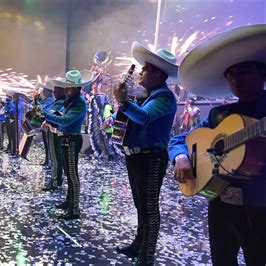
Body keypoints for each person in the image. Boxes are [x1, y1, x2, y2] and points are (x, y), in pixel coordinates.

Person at [169, 24, 266, 266]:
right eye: (231, 75)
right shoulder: (219, 115)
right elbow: (180, 139)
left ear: (262, 74)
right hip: (220, 202)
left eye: (244, 72)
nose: (236, 80)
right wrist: (180, 156)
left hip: (260, 208)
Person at [112, 42, 178, 265]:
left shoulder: (165, 98)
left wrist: (123, 101)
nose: (141, 73)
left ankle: (147, 255)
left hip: (151, 158)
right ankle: (138, 246)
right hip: (138, 156)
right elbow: (134, 118)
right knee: (141, 205)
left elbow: (144, 117)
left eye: (146, 70)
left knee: (149, 208)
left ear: (159, 74)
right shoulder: (149, 95)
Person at [43, 69, 93, 220]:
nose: (66, 89)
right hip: (67, 139)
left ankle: (75, 209)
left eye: (68, 87)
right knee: (68, 174)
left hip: (72, 140)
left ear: (76, 88)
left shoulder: (79, 103)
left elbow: (65, 120)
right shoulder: (72, 101)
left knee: (72, 175)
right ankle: (69, 201)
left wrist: (45, 115)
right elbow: (63, 118)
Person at [41, 85, 67, 191]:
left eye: (57, 90)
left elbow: (52, 114)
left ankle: (55, 180)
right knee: (57, 156)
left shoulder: (60, 102)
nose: (54, 92)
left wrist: (45, 114)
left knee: (55, 156)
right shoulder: (60, 101)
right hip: (57, 131)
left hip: (54, 131)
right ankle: (56, 179)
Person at [37, 84, 55, 167]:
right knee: (46, 143)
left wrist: (38, 103)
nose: (42, 92)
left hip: (48, 124)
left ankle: (49, 161)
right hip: (44, 123)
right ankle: (47, 160)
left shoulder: (50, 100)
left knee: (48, 143)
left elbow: (45, 110)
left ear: (48, 91)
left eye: (44, 90)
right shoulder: (46, 99)